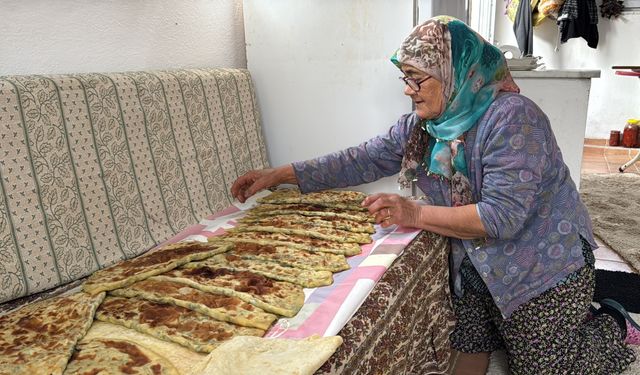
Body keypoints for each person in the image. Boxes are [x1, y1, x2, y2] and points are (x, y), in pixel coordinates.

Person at [231, 16, 638, 374]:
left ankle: (615, 325)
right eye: (404, 77)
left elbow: (501, 218)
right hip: (477, 262)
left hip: (540, 262)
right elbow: (362, 159)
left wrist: (414, 214)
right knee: (469, 346)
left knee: (541, 367)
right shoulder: (424, 128)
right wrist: (280, 174)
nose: (408, 90)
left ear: (455, 71)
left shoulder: (513, 118)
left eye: (417, 77)